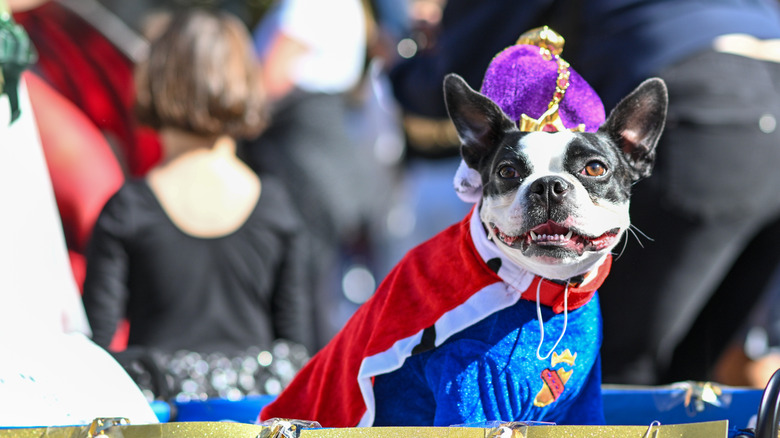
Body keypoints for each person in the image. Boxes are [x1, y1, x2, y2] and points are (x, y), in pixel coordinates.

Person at [388, 0, 780, 386]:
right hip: (770, 89)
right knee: (694, 372)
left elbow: (464, 62)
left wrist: (397, 63)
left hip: (699, 94)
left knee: (611, 366)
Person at [81, 9, 314, 378]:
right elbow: (298, 353)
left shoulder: (127, 209)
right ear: (245, 83)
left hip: (159, 423)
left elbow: (94, 356)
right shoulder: (277, 208)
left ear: (154, 81)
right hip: (252, 422)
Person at [240, 0, 373, 349]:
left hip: (301, 156)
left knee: (302, 291)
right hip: (321, 153)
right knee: (316, 291)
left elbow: (273, 78)